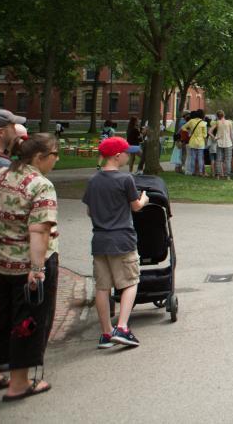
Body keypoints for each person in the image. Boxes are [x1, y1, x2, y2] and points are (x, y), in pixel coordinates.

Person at [0, 133, 59, 401]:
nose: (57, 159)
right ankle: (19, 383)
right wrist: (38, 269)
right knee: (26, 323)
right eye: (54, 154)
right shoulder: (40, 185)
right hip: (26, 268)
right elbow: (39, 231)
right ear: (39, 157)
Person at [83, 137, 149, 349]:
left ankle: (106, 332)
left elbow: (89, 211)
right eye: (127, 152)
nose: (129, 156)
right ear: (117, 156)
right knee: (130, 281)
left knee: (103, 287)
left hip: (100, 239)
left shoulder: (93, 180)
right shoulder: (125, 179)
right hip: (122, 238)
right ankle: (122, 327)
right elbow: (136, 206)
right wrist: (145, 200)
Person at [181, 111, 207, 176]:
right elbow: (205, 135)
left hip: (192, 141)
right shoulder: (203, 123)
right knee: (200, 158)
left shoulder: (191, 121)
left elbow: (183, 127)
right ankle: (200, 172)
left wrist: (189, 131)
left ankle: (193, 171)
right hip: (201, 142)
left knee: (193, 157)